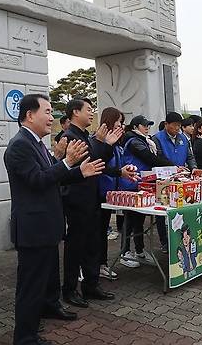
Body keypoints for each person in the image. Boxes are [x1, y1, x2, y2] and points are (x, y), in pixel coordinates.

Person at [4, 94, 105, 345]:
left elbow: (52, 176)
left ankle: (47, 308)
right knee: (30, 286)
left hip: (46, 227)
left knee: (42, 281)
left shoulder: (36, 143)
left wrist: (78, 171)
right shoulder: (20, 145)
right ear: (29, 115)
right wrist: (68, 162)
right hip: (33, 229)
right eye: (47, 112)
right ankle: (25, 338)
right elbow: (37, 180)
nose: (52, 117)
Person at [61, 97, 122, 307]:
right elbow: (78, 168)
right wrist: (103, 144)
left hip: (91, 198)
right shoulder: (69, 137)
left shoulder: (85, 135)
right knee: (76, 246)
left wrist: (107, 145)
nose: (91, 113)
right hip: (77, 200)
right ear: (75, 112)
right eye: (88, 109)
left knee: (92, 244)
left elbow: (98, 163)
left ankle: (91, 284)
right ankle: (69, 290)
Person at [120, 115, 172, 266]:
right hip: (131, 184)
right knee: (129, 220)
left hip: (143, 184)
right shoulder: (134, 141)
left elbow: (154, 157)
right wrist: (172, 166)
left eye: (148, 124)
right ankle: (124, 253)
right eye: (144, 125)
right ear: (136, 127)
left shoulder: (146, 140)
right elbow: (150, 158)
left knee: (140, 220)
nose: (147, 127)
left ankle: (139, 251)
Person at [95, 107, 138, 280]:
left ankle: (101, 264)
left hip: (111, 194)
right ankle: (96, 265)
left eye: (122, 122)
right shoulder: (99, 142)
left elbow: (114, 167)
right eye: (119, 121)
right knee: (97, 232)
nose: (121, 125)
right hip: (100, 193)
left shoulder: (115, 144)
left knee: (102, 231)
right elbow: (101, 166)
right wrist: (119, 172)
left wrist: (123, 170)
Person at [153, 111, 197, 251]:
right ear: (166, 124)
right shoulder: (157, 139)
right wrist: (173, 168)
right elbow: (157, 158)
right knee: (163, 212)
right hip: (163, 181)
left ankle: (181, 238)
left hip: (182, 180)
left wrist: (194, 168)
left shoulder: (183, 138)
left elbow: (190, 156)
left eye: (179, 126)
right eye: (175, 126)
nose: (177, 129)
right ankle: (165, 242)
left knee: (182, 208)